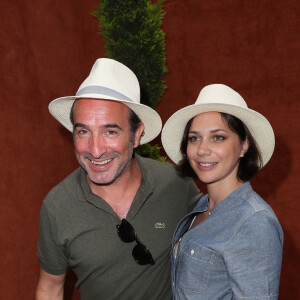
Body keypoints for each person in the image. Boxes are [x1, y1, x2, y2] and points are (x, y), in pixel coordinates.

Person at [36, 58, 201, 300]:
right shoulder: (57, 206)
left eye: (110, 131)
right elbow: (49, 288)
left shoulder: (177, 184)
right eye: (83, 131)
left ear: (136, 135)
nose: (95, 150)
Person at [161, 84, 283, 300]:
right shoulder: (202, 206)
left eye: (218, 137)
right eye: (194, 138)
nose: (202, 150)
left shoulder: (254, 222)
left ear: (244, 146)